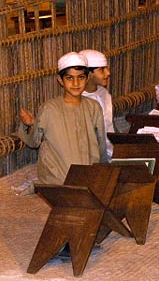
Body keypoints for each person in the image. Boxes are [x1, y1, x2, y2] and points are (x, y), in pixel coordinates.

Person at [17, 52, 109, 184]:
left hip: (87, 176)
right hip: (57, 179)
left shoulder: (93, 107)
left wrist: (103, 170)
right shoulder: (48, 108)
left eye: (81, 77)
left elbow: (101, 144)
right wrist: (28, 124)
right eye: (70, 78)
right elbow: (34, 141)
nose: (76, 83)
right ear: (60, 80)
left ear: (87, 78)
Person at [79, 49, 114, 158]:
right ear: (88, 74)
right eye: (102, 69)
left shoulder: (104, 93)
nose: (108, 73)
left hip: (111, 150)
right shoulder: (78, 101)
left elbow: (108, 126)